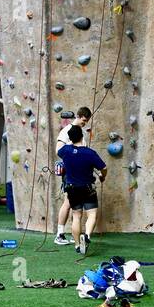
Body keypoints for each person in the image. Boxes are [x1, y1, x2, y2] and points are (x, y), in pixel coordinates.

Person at [56, 124, 105, 256]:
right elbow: (103, 168)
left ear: (70, 139)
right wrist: (102, 176)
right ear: (82, 137)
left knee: (76, 216)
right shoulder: (90, 153)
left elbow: (58, 149)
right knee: (92, 214)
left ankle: (78, 245)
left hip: (72, 188)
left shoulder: (65, 151)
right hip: (88, 187)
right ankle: (87, 235)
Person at [54, 106, 92, 245]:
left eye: (86, 121)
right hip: (70, 171)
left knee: (74, 204)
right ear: (79, 116)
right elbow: (59, 150)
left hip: (79, 172)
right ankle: (59, 235)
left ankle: (69, 234)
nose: (85, 123)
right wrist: (74, 156)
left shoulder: (80, 133)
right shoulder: (67, 131)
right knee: (68, 203)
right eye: (84, 120)